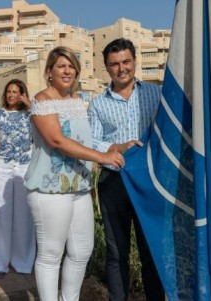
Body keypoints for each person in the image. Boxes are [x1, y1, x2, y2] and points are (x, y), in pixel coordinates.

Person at [24, 46, 124, 301]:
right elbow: (57, 141)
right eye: (61, 66)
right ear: (49, 71)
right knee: (51, 253)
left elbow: (85, 141)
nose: (67, 71)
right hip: (50, 188)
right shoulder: (42, 101)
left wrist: (115, 148)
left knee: (82, 251)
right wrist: (102, 158)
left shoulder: (78, 101)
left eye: (71, 66)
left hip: (78, 187)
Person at [88, 38, 165, 301]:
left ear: (134, 61)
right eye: (114, 64)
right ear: (106, 68)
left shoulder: (155, 94)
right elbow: (92, 141)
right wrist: (117, 147)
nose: (122, 68)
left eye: (126, 62)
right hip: (115, 181)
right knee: (116, 250)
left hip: (150, 181)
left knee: (151, 248)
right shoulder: (98, 104)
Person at [0, 79, 35, 279]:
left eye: (16, 92)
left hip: (24, 169)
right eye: (9, 92)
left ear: (23, 93)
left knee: (24, 216)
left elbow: (44, 129)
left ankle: (22, 261)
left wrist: (30, 105)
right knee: (0, 217)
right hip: (1, 168)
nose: (12, 95)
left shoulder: (32, 115)